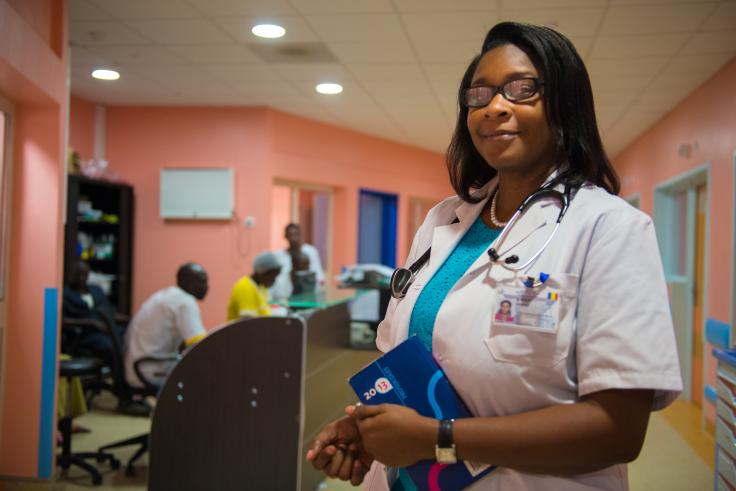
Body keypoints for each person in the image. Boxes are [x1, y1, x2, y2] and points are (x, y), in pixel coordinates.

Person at [307, 22, 682, 490]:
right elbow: (414, 360)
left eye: (522, 90)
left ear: (565, 104)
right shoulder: (443, 220)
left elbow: (617, 431)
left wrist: (436, 439)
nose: (495, 107)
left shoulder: (609, 227)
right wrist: (369, 428)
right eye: (479, 94)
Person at [124, 262, 209, 389]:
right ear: (187, 282)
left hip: (137, 367)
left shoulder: (167, 295)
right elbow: (200, 345)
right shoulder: (185, 302)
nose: (207, 286)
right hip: (151, 370)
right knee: (208, 374)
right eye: (202, 281)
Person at [62, 261, 120, 367]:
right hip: (85, 334)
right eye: (78, 274)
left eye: (84, 274)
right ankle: (116, 376)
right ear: (72, 275)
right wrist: (91, 322)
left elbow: (110, 312)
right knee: (109, 345)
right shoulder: (66, 295)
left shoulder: (96, 291)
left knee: (126, 337)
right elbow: (63, 320)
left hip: (106, 330)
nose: (81, 278)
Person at [269, 223, 325, 301]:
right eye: (290, 235)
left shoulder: (310, 252)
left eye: (296, 234)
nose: (293, 238)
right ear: (285, 236)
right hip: (285, 296)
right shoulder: (279, 255)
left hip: (307, 295)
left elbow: (318, 276)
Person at [227, 251, 282, 321]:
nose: (274, 280)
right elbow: (248, 323)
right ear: (262, 272)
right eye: (272, 276)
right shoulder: (245, 287)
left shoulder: (261, 288)